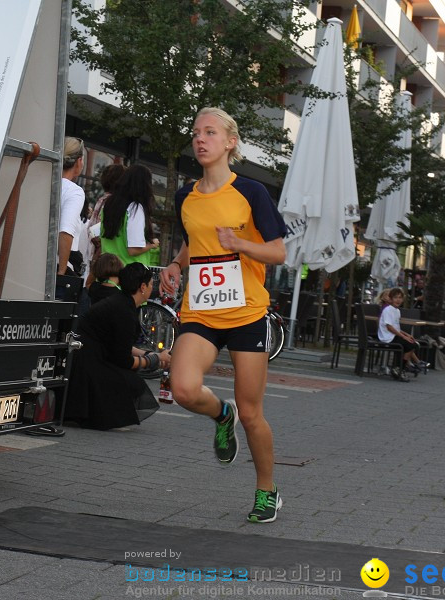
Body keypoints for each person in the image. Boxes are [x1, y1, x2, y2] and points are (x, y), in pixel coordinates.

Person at [159, 107, 286, 524]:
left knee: (253, 413)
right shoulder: (185, 197)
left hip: (247, 311)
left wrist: (240, 245)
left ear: (230, 142)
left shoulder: (250, 192)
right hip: (202, 310)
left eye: (210, 132)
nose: (200, 139)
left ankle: (267, 490)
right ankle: (219, 413)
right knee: (182, 388)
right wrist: (177, 265)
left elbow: (279, 252)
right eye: (196, 132)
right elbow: (194, 242)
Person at [64, 263, 171, 430]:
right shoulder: (124, 310)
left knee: (130, 379)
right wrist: (154, 359)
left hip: (87, 356)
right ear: (142, 287)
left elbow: (120, 345)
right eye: (151, 284)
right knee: (132, 382)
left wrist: (150, 354)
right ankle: (102, 415)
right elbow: (124, 360)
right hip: (87, 363)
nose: (152, 288)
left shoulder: (121, 303)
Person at [100, 164, 160, 266]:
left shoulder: (109, 204)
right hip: (130, 274)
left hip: (108, 270)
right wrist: (152, 244)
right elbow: (133, 250)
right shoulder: (135, 208)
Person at [377, 287, 429, 378]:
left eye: (400, 297)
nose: (398, 300)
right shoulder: (388, 310)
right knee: (411, 344)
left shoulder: (397, 311)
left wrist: (406, 334)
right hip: (387, 337)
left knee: (414, 344)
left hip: (393, 335)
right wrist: (403, 337)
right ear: (391, 298)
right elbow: (389, 327)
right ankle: (401, 368)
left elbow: (396, 327)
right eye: (395, 297)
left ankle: (399, 367)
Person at [58, 137, 86, 276]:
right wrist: (62, 271)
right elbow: (65, 231)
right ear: (79, 161)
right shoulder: (74, 191)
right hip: (59, 264)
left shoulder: (47, 182)